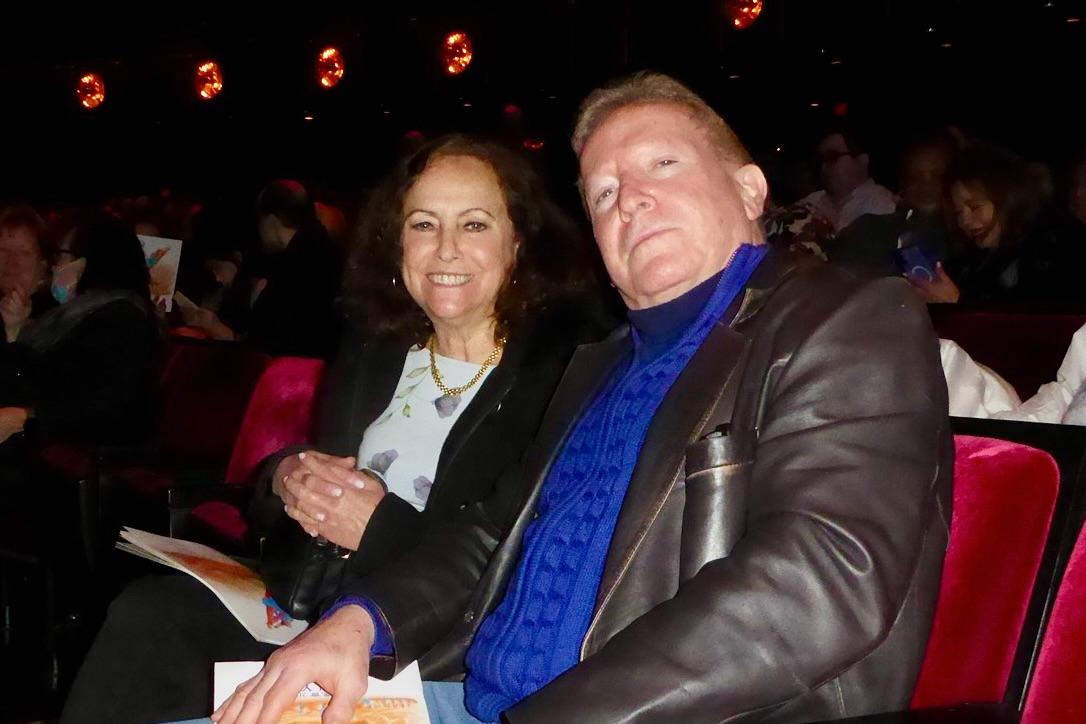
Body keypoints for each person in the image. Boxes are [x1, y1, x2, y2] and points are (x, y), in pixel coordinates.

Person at [215, 72, 951, 724]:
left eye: (663, 164)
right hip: (465, 698)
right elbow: (489, 538)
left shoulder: (846, 318)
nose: (631, 197)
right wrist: (357, 622)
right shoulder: (599, 367)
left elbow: (822, 579)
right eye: (604, 191)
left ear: (751, 189)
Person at [60, 136, 612, 723]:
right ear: (397, 244)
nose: (446, 249)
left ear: (518, 242)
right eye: (424, 224)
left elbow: (511, 559)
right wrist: (286, 476)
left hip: (427, 643)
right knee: (145, 615)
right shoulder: (378, 346)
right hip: (311, 596)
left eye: (474, 225)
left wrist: (375, 527)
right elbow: (294, 497)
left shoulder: (561, 373)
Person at [181, 180, 340, 358]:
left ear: (271, 221)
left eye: (260, 220)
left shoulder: (299, 268)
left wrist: (218, 329)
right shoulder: (315, 254)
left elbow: (274, 345)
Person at [799, 125, 897, 234]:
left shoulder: (883, 205)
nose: (823, 167)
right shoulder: (812, 201)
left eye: (832, 157)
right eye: (820, 160)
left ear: (862, 160)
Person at [0, 205, 56, 342]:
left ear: (43, 266)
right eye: (3, 250)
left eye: (24, 253)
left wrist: (17, 330)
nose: (12, 262)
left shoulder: (56, 319)